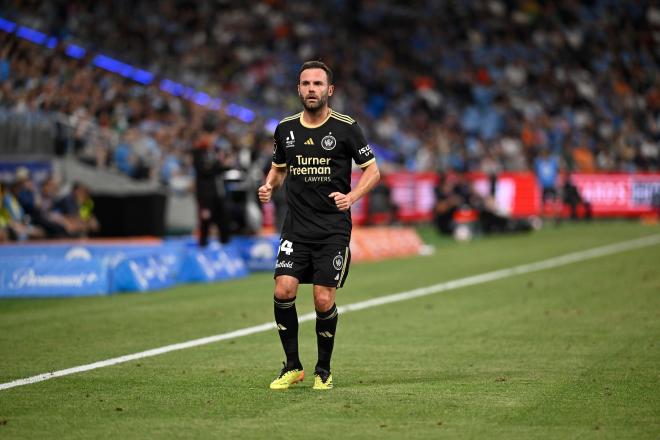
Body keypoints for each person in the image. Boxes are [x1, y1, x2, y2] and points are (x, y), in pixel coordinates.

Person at [258, 61, 380, 390]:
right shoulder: (285, 129)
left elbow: (373, 171)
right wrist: (270, 185)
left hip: (332, 229)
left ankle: (323, 369)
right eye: (305, 84)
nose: (311, 89)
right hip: (296, 226)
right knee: (283, 290)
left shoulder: (346, 127)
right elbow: (279, 168)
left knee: (323, 301)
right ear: (298, 89)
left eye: (317, 84)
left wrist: (352, 196)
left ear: (330, 90)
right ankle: (292, 366)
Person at [191, 114, 232, 246]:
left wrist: (224, 165)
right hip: (205, 194)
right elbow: (204, 170)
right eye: (210, 135)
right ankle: (202, 246)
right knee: (205, 221)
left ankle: (225, 246)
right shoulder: (198, 151)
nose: (213, 138)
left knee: (223, 219)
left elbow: (219, 168)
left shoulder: (215, 150)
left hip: (218, 192)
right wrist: (219, 164)